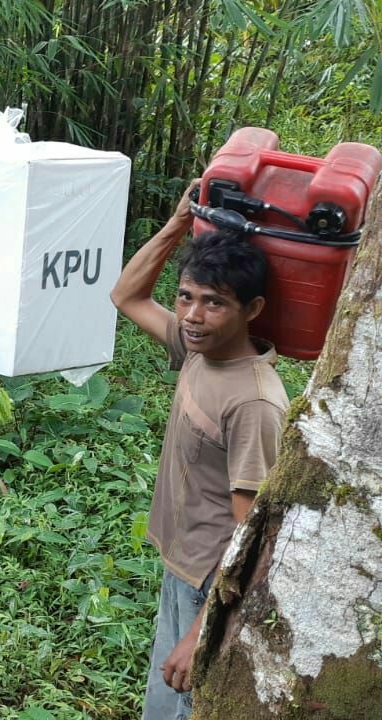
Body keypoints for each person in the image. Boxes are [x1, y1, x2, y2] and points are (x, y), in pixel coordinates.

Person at [109, 181, 289, 719]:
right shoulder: (196, 350)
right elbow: (126, 297)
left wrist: (199, 629)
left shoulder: (253, 401)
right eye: (186, 297)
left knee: (177, 709)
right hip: (182, 567)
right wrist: (177, 225)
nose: (191, 314)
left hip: (209, 584)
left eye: (214, 303)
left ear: (252, 308)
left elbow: (249, 535)